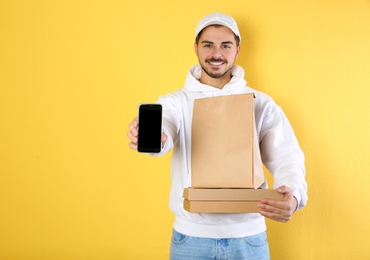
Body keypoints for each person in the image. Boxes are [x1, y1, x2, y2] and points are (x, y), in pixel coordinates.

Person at [127, 12, 308, 260]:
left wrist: (294, 195)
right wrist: (157, 138)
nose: (216, 53)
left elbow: (287, 156)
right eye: (208, 45)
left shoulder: (260, 103)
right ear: (195, 48)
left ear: (238, 49)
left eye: (225, 45)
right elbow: (165, 125)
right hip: (191, 239)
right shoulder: (177, 102)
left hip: (248, 238)